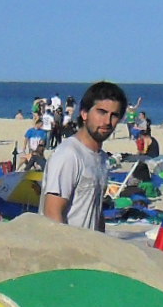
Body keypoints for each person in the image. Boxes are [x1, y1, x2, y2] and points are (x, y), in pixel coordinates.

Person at [40, 81, 124, 232]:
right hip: (66, 250)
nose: (107, 121)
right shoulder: (69, 155)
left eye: (114, 115)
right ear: (84, 113)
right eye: (101, 112)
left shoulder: (102, 159)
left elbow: (95, 212)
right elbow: (52, 213)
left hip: (89, 249)